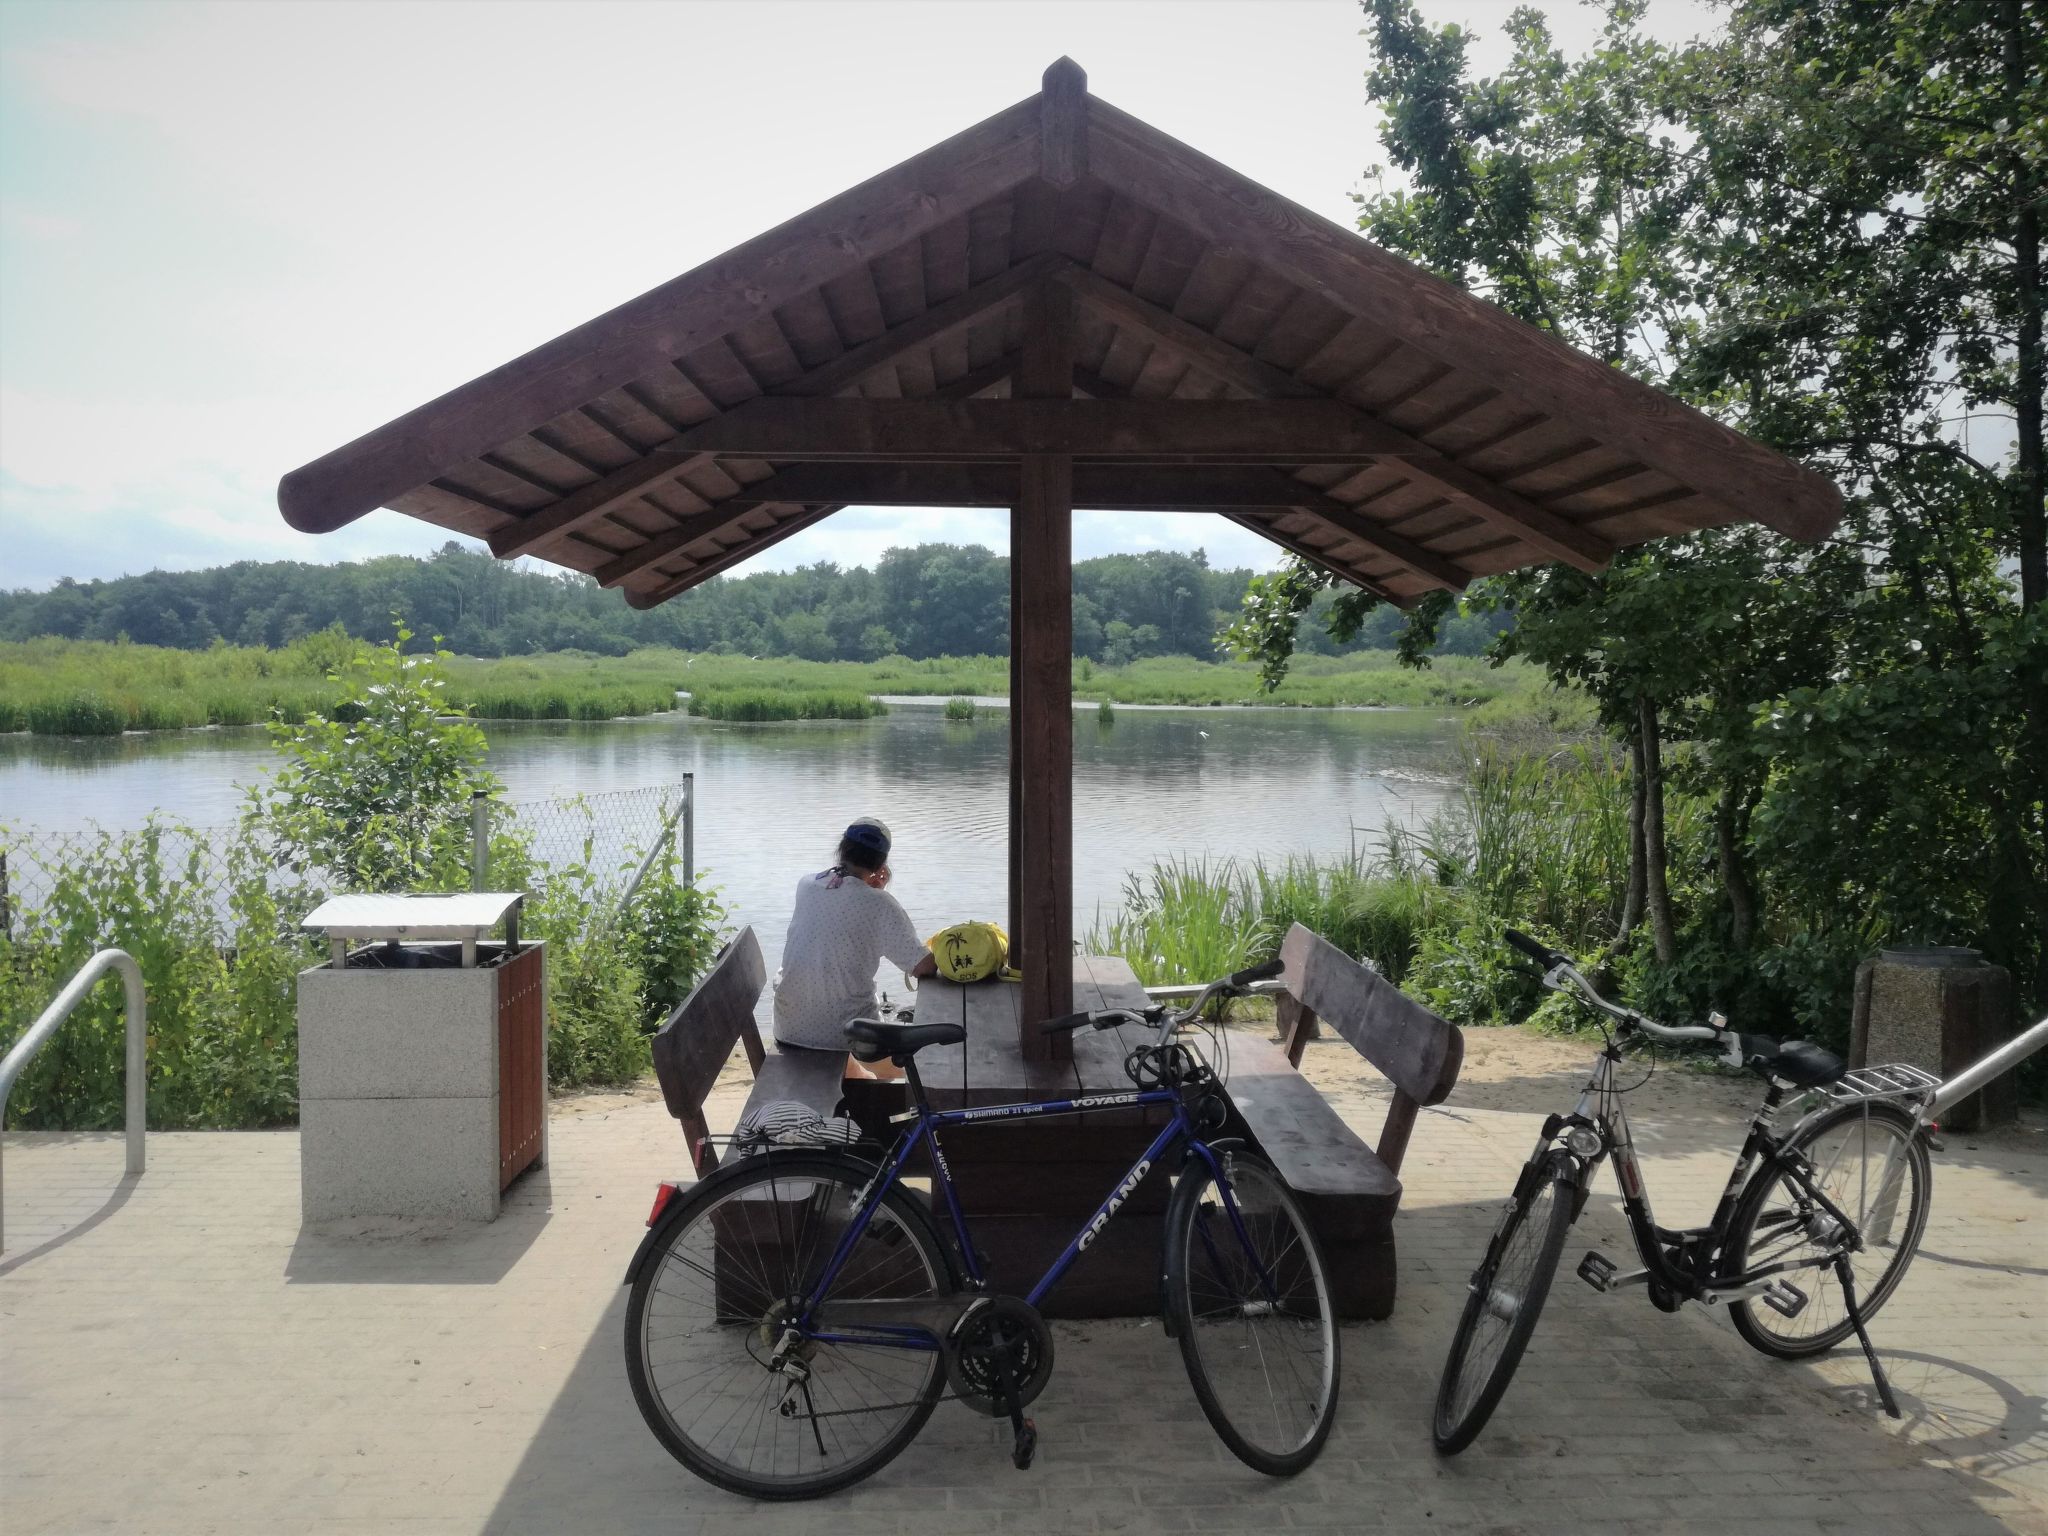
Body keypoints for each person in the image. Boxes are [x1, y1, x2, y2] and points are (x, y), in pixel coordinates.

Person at [773, 816, 936, 1079]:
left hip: (789, 1028)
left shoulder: (806, 885)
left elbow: (841, 912)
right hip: (845, 1036)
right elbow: (923, 966)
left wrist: (871, 891)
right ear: (881, 864)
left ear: (841, 850)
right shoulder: (881, 904)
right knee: (925, 1064)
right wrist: (878, 893)